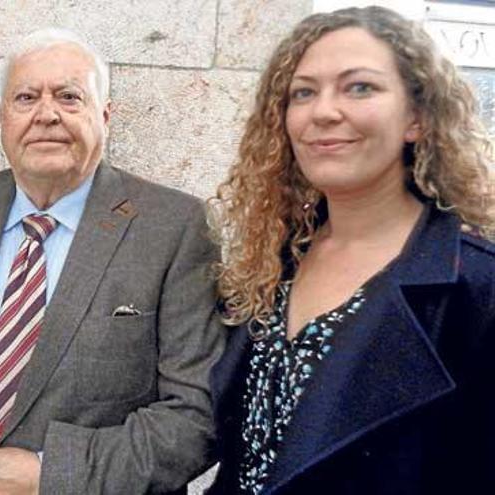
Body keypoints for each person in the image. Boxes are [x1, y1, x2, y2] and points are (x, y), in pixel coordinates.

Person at [0, 28, 225, 494]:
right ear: (2, 118)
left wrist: (48, 474)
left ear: (106, 116)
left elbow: (197, 415)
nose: (46, 114)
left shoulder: (174, 226)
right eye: (26, 97)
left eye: (69, 97)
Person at [208, 6, 495, 495]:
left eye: (359, 87)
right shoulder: (273, 262)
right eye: (304, 92)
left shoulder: (476, 288)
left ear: (418, 119)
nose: (323, 111)